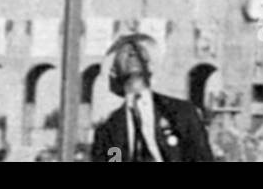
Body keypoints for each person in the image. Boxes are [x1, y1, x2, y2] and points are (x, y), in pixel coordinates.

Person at [90, 33, 215, 163]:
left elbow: (201, 157)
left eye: (139, 51)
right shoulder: (110, 128)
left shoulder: (181, 114)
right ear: (113, 69)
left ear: (152, 65)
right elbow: (114, 158)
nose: (133, 53)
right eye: (125, 52)